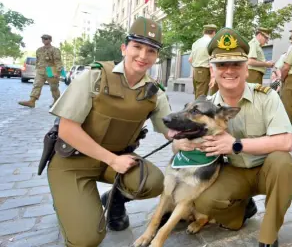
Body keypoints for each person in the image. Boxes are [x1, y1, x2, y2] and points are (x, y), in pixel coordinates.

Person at [46, 17, 177, 247]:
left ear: (157, 56)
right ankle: (66, 204)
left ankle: (115, 202)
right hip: (72, 162)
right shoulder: (93, 77)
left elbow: (171, 132)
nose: (143, 56)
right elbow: (67, 130)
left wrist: (198, 136)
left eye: (151, 51)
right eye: (137, 47)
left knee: (154, 182)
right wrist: (112, 159)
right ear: (124, 48)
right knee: (86, 239)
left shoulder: (155, 92)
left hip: (115, 162)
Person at [173, 27, 292, 247]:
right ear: (212, 70)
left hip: (267, 169)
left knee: (284, 163)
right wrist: (180, 143)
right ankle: (241, 209)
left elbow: (287, 141)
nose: (229, 70)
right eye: (222, 64)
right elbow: (180, 144)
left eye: (236, 64)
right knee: (204, 201)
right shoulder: (205, 106)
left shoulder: (266, 97)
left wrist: (236, 144)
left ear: (246, 68)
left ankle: (268, 236)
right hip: (233, 172)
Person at [18, 34, 63, 108]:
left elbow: (58, 61)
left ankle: (56, 101)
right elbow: (38, 60)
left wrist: (58, 72)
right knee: (36, 85)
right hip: (41, 70)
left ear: (50, 40)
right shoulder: (39, 50)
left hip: (51, 69)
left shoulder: (55, 50)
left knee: (54, 87)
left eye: (46, 39)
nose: (44, 40)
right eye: (43, 39)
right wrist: (37, 68)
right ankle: (32, 101)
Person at [189, 24, 217, 98]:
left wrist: (197, 66)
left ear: (204, 32)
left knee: (198, 96)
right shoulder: (211, 43)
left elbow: (190, 60)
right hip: (205, 71)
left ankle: (195, 109)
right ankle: (197, 110)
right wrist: (213, 76)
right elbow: (212, 61)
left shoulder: (196, 42)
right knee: (201, 98)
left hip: (196, 71)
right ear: (214, 32)